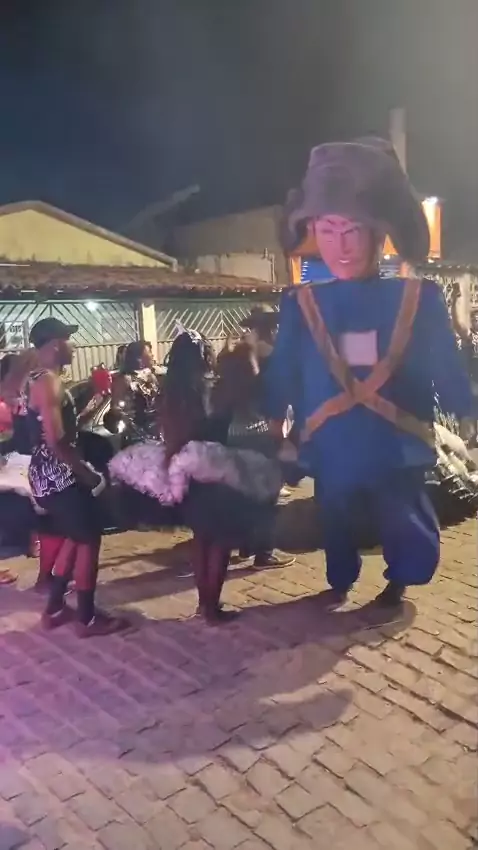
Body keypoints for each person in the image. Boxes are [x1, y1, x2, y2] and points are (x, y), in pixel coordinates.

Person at [264, 136, 474, 607]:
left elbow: (443, 359)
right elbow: (286, 364)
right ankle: (340, 579)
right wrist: (275, 416)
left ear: (380, 233)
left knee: (403, 514)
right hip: (331, 438)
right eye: (328, 230)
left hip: (396, 439)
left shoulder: (419, 298)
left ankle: (400, 581)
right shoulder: (301, 302)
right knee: (334, 513)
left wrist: (464, 407)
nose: (340, 245)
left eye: (353, 230)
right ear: (312, 230)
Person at [110, 329, 282, 624]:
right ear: (202, 354)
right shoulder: (208, 388)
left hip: (186, 468)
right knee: (220, 541)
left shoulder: (172, 388)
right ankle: (212, 609)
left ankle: (205, 604)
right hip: (213, 468)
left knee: (202, 538)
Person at [25, 317, 128, 636]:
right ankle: (87, 619)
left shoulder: (38, 379)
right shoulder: (49, 383)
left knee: (75, 535)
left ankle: (55, 608)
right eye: (69, 340)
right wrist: (90, 477)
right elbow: (57, 442)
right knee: (88, 539)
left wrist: (97, 402)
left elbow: (60, 429)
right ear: (56, 344)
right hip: (60, 476)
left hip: (47, 474)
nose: (74, 346)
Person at [213, 338, 295, 569]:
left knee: (244, 497)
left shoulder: (226, 384)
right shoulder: (261, 385)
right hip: (260, 441)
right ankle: (264, 554)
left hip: (234, 439)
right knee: (266, 501)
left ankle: (245, 548)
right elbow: (276, 420)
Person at [110, 340, 160, 439]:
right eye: (149, 352)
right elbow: (115, 408)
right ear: (138, 358)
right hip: (135, 436)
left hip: (155, 434)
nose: (152, 355)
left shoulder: (152, 377)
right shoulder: (125, 379)